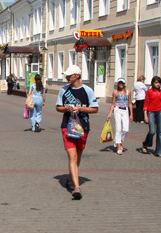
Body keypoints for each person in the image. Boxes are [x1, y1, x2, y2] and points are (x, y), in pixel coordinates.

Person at [55, 65, 99, 199]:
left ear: (77, 76)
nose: (67, 77)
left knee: (78, 156)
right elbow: (58, 107)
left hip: (82, 127)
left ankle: (70, 178)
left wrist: (80, 109)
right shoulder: (64, 90)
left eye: (69, 75)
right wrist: (66, 109)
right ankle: (77, 188)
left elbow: (95, 109)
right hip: (67, 127)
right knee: (72, 156)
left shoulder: (87, 90)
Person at [141, 76, 161, 157]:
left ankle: (159, 152)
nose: (157, 84)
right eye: (156, 82)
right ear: (152, 83)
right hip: (151, 112)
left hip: (160, 112)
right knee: (152, 131)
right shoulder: (149, 91)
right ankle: (145, 144)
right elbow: (145, 103)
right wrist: (145, 115)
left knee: (160, 132)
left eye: (159, 82)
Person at [107, 78, 133, 155]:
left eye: (122, 83)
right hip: (117, 110)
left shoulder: (128, 92)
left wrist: (131, 114)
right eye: (119, 83)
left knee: (126, 129)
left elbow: (130, 103)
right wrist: (110, 113)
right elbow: (113, 104)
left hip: (125, 110)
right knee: (118, 128)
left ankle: (119, 140)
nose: (121, 84)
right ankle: (119, 146)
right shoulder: (115, 92)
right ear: (117, 84)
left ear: (124, 84)